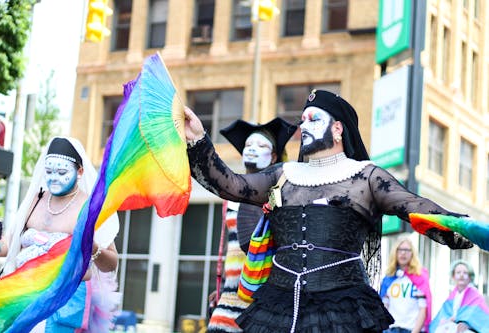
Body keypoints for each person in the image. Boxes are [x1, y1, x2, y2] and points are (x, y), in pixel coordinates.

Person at [183, 89, 474, 333]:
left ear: (337, 129)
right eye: (302, 119)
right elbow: (229, 184)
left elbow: (418, 209)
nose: (304, 125)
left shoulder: (366, 177)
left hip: (341, 312)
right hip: (276, 307)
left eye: (314, 119)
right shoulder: (284, 174)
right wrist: (198, 138)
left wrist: (471, 229)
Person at [0, 136, 120, 332]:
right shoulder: (36, 199)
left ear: (80, 172)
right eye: (49, 171)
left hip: (64, 302)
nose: (54, 178)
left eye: (61, 172)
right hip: (23, 295)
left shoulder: (90, 208)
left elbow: (111, 263)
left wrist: (91, 246)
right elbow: (9, 246)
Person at [207, 118, 297, 333]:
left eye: (262, 146)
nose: (253, 150)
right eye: (248, 145)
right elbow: (227, 246)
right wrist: (219, 284)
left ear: (274, 156)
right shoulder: (230, 196)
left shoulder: (280, 193)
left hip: (261, 292)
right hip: (230, 293)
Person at [380, 236, 432, 333]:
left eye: (407, 250)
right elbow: (384, 307)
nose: (403, 253)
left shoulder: (420, 278)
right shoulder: (388, 279)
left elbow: (423, 309)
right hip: (392, 329)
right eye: (400, 250)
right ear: (395, 253)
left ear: (412, 254)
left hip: (412, 330)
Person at [429, 260, 489, 333]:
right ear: (453, 277)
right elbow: (442, 316)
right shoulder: (452, 296)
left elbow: (480, 318)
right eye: (458, 272)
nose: (461, 275)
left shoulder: (476, 296)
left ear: (470, 277)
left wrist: (465, 323)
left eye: (465, 273)